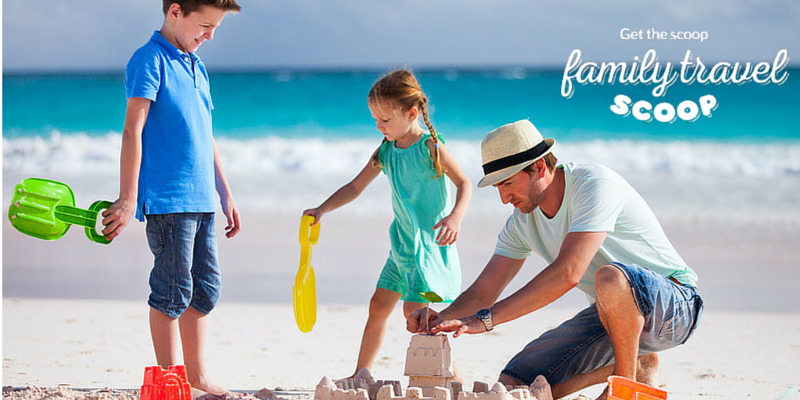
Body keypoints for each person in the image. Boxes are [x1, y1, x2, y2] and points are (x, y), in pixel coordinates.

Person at [407, 120, 703, 400]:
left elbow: (569, 272)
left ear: (538, 167)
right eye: (498, 187)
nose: (504, 198)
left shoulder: (593, 185)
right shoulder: (521, 222)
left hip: (673, 306)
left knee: (611, 277)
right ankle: (636, 366)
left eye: (508, 183)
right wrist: (441, 319)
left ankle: (623, 388)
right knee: (515, 386)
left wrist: (486, 320)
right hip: (610, 317)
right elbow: (485, 290)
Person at [100, 0, 242, 396]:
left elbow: (206, 134)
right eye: (205, 25)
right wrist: (128, 198)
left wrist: (225, 192)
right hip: (167, 202)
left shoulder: (197, 66)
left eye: (215, 28)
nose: (210, 36)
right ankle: (170, 378)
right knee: (173, 290)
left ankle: (195, 377)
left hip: (202, 201)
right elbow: (133, 130)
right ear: (175, 11)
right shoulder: (149, 60)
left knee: (205, 288)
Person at [304, 69, 473, 378]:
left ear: (411, 113)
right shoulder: (385, 151)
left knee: (416, 314)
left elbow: (464, 183)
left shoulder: (430, 147)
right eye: (375, 119)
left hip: (427, 245)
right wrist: (322, 209)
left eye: (384, 120)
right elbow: (355, 187)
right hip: (401, 246)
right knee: (378, 307)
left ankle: (449, 373)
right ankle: (362, 373)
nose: (378, 126)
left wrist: (456, 217)